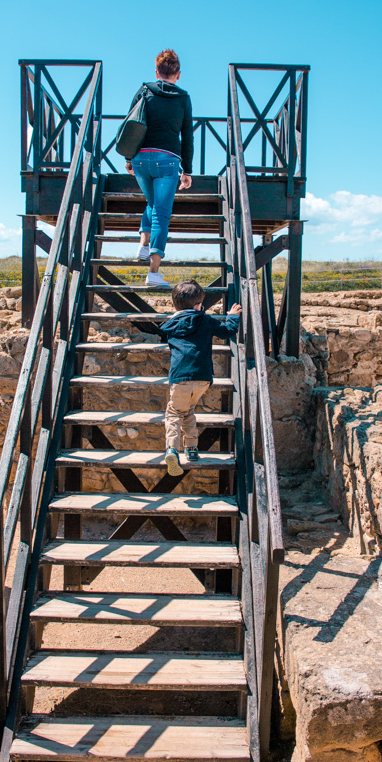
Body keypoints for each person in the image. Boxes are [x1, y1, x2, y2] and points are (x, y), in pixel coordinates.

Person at [125, 48, 193, 288]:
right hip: (168, 161)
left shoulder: (144, 91)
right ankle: (153, 272)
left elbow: (131, 124)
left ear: (156, 72)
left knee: (153, 203)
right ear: (178, 74)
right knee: (161, 213)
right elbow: (187, 136)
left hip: (141, 159)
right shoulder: (183, 98)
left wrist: (128, 159)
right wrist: (187, 171)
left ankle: (144, 246)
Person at [160, 279, 242, 476]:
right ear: (198, 305)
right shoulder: (205, 320)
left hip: (180, 377)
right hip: (203, 378)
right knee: (188, 410)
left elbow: (162, 331)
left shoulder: (170, 325)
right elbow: (228, 331)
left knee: (174, 412)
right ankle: (192, 448)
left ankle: (172, 449)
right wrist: (232, 317)